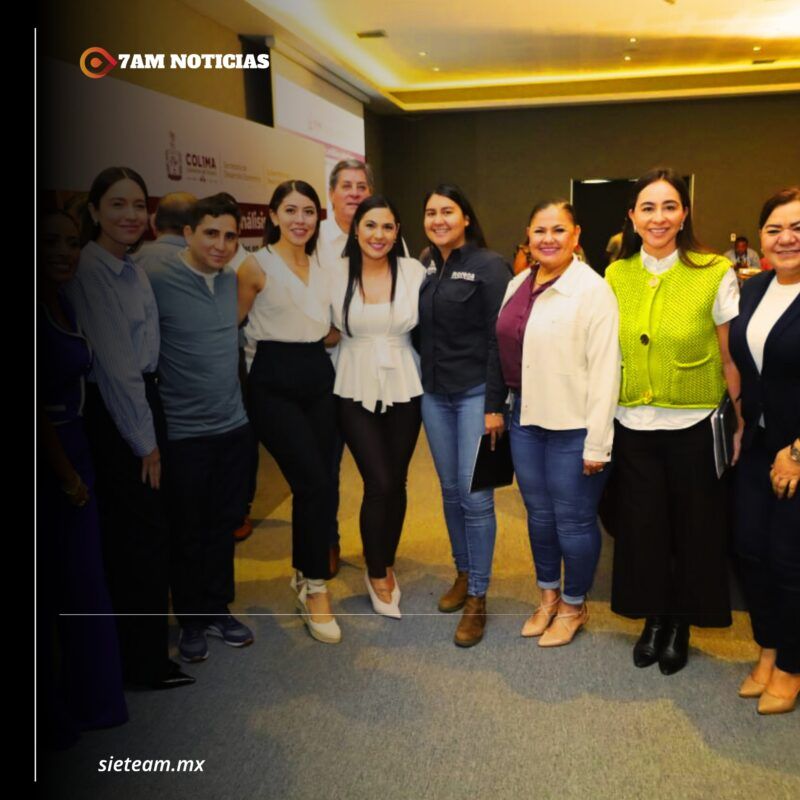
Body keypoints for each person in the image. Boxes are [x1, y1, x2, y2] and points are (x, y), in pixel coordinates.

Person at [605, 167, 743, 676]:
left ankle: (681, 621)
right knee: (642, 530)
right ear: (633, 217)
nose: (658, 217)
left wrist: (740, 422)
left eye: (669, 206)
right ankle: (654, 618)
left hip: (694, 422)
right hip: (632, 424)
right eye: (648, 207)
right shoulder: (617, 274)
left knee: (694, 529)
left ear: (684, 213)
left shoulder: (713, 271)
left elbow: (731, 359)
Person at [66, 167, 194, 690]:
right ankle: (140, 665)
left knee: (144, 538)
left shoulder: (129, 265)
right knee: (137, 543)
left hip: (141, 403)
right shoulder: (92, 272)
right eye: (117, 205)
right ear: (94, 211)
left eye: (139, 206)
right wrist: (146, 443)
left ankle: (142, 656)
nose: (131, 215)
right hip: (121, 417)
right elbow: (117, 371)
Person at [495, 201, 620, 647]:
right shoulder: (517, 283)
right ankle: (547, 595)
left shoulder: (593, 290)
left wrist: (598, 444)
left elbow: (607, 369)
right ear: (527, 235)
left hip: (574, 425)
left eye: (558, 230)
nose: (548, 238)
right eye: (540, 230)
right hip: (526, 418)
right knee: (539, 516)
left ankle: (573, 604)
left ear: (575, 234)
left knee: (573, 520)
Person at [144, 193, 255, 664]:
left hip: (233, 427)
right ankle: (190, 619)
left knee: (223, 525)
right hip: (184, 435)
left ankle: (217, 608)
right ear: (186, 234)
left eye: (230, 236)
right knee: (187, 530)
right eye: (211, 233)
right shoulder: (155, 279)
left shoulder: (231, 280)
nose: (221, 244)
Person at [38, 210, 128, 747]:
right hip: (55, 464)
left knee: (83, 584)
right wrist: (68, 477)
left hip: (78, 452)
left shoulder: (64, 300)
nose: (64, 251)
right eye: (50, 239)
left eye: (72, 242)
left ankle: (90, 703)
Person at [238, 180, 341, 644]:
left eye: (308, 211)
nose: (300, 219)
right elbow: (229, 329)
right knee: (313, 481)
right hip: (273, 383)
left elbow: (330, 330)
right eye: (291, 210)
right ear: (274, 216)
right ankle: (316, 587)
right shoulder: (255, 266)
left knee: (320, 483)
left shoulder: (324, 269)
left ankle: (305, 575)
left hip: (319, 378)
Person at [418, 184, 512, 647]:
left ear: (466, 218)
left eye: (447, 211)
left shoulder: (489, 266)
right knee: (451, 490)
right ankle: (462, 571)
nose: (438, 220)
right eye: (431, 212)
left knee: (476, 497)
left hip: (476, 395)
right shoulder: (423, 266)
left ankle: (478, 595)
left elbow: (501, 340)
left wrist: (495, 404)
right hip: (434, 395)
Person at [331, 196, 425, 618]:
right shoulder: (333, 274)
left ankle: (385, 560)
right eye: (370, 226)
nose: (378, 235)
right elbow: (320, 328)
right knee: (379, 481)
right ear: (355, 229)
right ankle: (375, 571)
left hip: (405, 380)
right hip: (353, 383)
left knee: (399, 480)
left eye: (387, 227)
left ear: (398, 230)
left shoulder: (414, 272)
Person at [729, 187, 800, 715]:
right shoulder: (752, 291)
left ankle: (792, 666)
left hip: (796, 452)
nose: (787, 237)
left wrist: (795, 452)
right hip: (755, 443)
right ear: (760, 240)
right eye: (775, 229)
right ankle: (768, 649)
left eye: (797, 227)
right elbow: (745, 367)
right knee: (750, 550)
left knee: (789, 560)